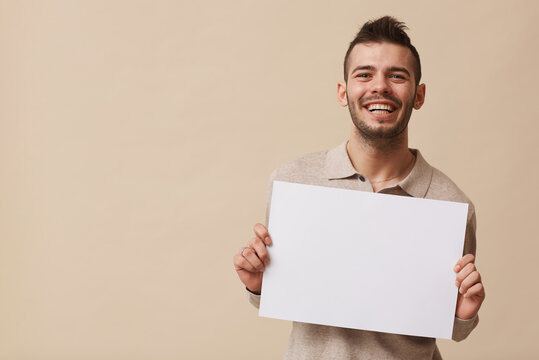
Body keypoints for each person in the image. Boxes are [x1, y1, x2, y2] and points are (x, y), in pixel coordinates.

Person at [233, 16, 485, 359]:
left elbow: (451, 325)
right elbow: (284, 291)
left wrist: (463, 311)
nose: (379, 86)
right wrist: (259, 284)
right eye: (364, 74)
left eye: (397, 75)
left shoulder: (451, 205)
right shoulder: (293, 182)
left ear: (419, 95)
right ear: (343, 92)